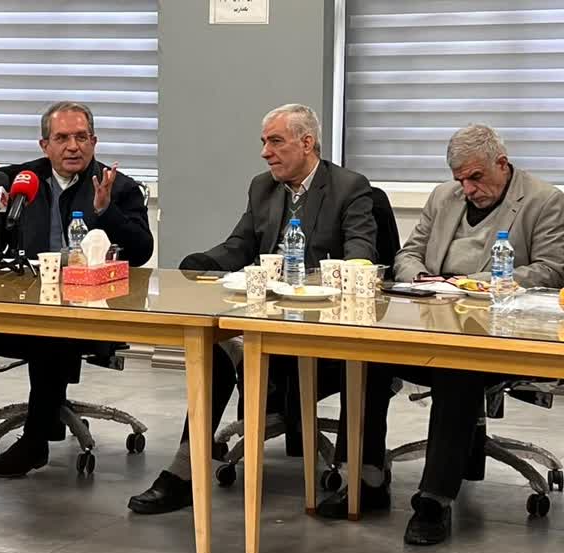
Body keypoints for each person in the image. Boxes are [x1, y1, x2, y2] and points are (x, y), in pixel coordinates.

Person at [128, 103, 386, 514]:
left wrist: (322, 281)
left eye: (276, 141)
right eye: (264, 142)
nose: (266, 152)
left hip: (322, 329)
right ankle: (185, 469)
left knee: (366, 362)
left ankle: (358, 476)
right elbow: (241, 245)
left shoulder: (349, 187)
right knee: (210, 348)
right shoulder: (262, 187)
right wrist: (201, 264)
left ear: (307, 143)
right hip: (263, 320)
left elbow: (360, 252)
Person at [316, 124, 564, 545]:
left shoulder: (544, 200)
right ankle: (365, 477)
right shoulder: (442, 197)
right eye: (459, 179)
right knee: (367, 356)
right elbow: (408, 253)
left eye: (475, 177)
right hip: (431, 318)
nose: (467, 189)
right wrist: (422, 278)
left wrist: (475, 284)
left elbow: (551, 269)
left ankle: (434, 500)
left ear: (501, 164)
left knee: (457, 366)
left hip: (496, 333)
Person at [0, 101, 154, 481]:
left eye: (81, 137)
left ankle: (35, 441)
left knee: (52, 333)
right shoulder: (21, 180)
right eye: (62, 138)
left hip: (87, 313)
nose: (73, 146)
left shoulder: (118, 187)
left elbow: (141, 251)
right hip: (26, 304)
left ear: (94, 142)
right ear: (45, 145)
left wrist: (106, 211)